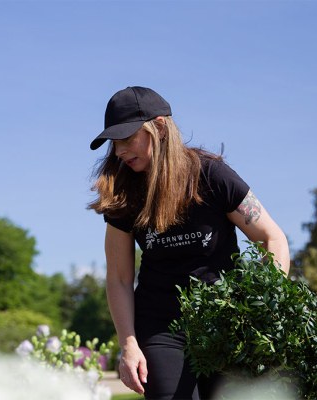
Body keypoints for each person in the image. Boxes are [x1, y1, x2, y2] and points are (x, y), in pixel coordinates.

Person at [88, 86, 290, 400]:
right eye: (114, 144)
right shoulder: (124, 193)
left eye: (127, 140)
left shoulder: (213, 177)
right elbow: (119, 278)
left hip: (225, 325)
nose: (119, 152)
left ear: (159, 127)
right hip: (161, 328)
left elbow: (271, 238)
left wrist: (261, 312)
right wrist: (128, 345)